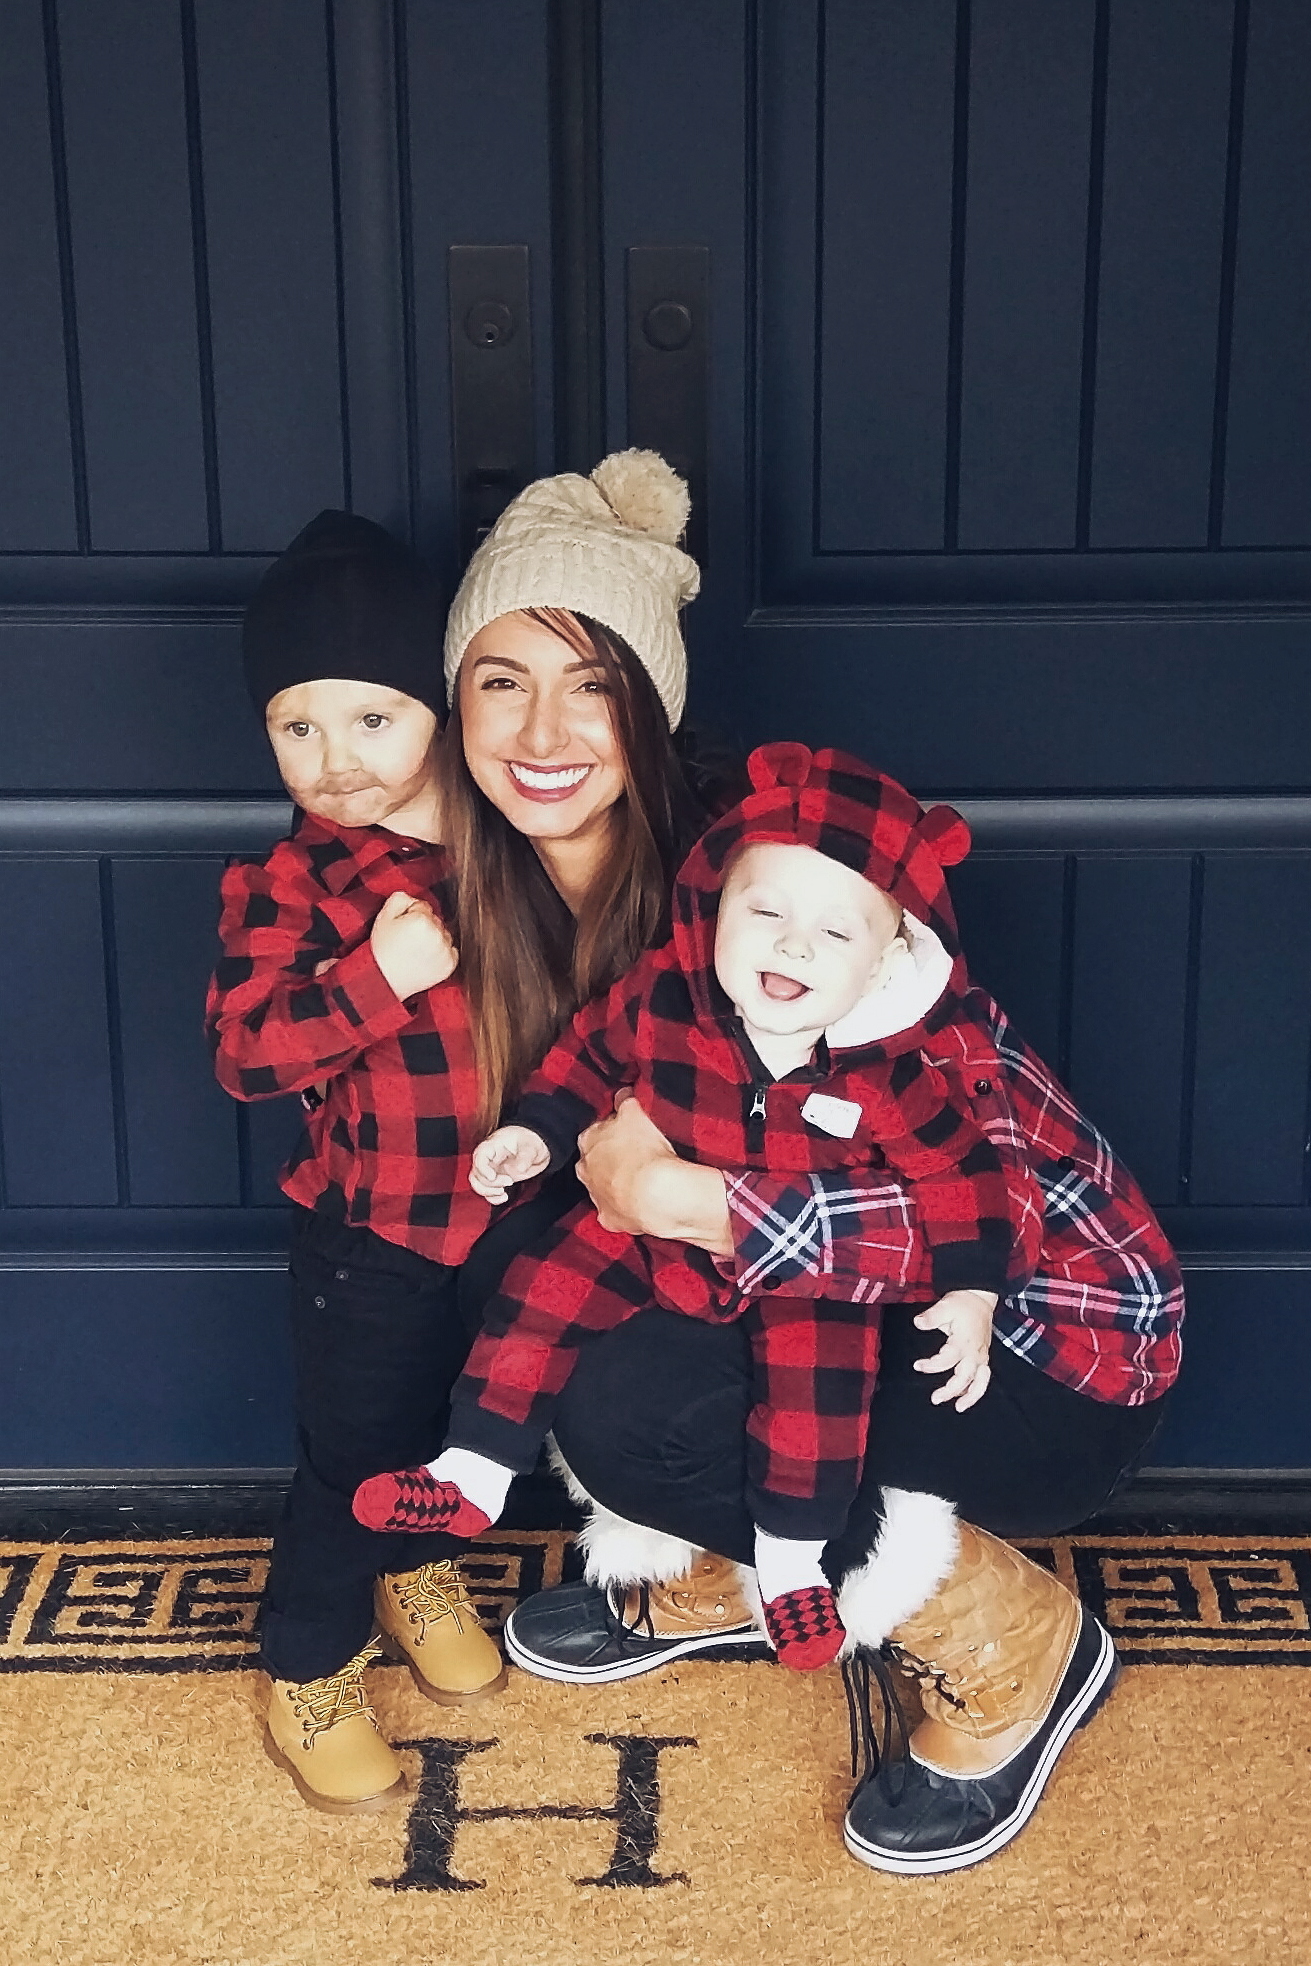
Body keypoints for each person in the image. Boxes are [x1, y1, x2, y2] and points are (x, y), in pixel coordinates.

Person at [353, 743, 1045, 1675]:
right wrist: (540, 1132)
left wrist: (971, 1290)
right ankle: (471, 1470)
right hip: (648, 1234)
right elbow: (585, 1056)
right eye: (765, 911)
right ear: (712, 905)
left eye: (838, 935)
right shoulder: (666, 999)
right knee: (539, 1285)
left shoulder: (893, 1070)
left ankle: (791, 1568)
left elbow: (964, 1182)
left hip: (808, 1276)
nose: (793, 945)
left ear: (887, 960)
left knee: (815, 1405)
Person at [206, 509, 506, 1815]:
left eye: (371, 719)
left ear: (435, 710)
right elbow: (246, 1056)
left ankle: (414, 1567)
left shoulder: (504, 845)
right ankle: (306, 1662)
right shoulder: (289, 886)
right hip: (369, 1240)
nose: (333, 759)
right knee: (353, 1453)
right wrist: (374, 977)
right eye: (297, 726)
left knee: (453, 1429)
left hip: (500, 1222)